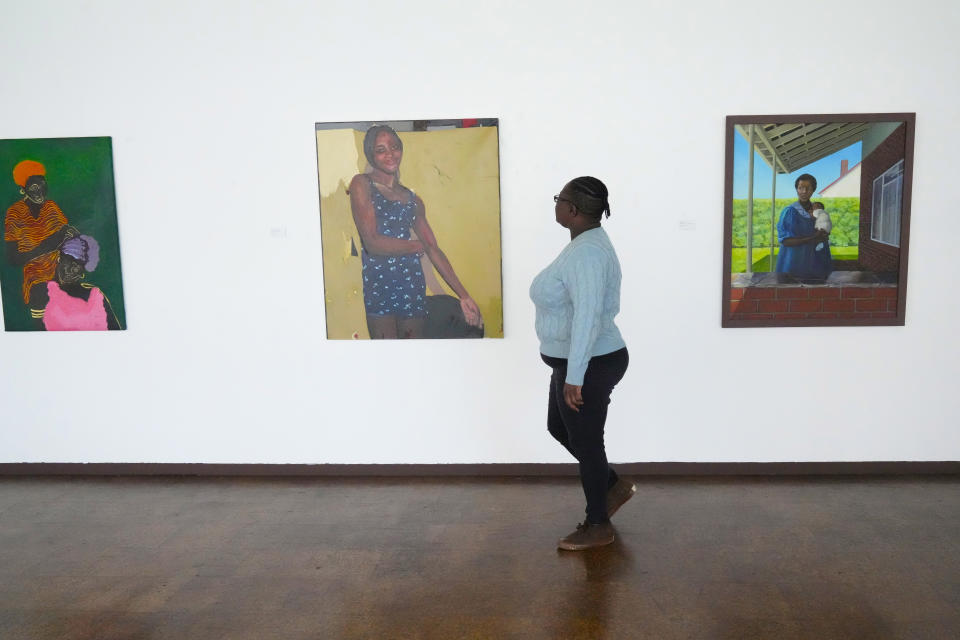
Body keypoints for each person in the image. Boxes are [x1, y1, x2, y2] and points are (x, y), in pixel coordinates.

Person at [529, 176, 632, 551]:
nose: (556, 204)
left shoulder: (587, 253)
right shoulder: (582, 245)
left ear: (571, 210)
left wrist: (575, 377)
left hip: (591, 363)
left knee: (587, 443)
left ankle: (597, 524)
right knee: (560, 428)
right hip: (577, 362)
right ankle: (610, 485)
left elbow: (587, 315)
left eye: (560, 199)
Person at [348, 124, 482, 339]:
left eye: (394, 147)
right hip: (380, 289)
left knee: (414, 356)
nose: (390, 154)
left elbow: (433, 249)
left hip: (412, 288)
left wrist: (464, 295)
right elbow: (372, 242)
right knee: (387, 360)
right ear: (370, 155)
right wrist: (417, 246)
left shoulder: (412, 200)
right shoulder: (361, 184)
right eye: (381, 150)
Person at [4, 160, 77, 304]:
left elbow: (69, 237)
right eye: (34, 187)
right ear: (23, 190)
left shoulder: (51, 207)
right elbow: (13, 259)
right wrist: (50, 244)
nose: (40, 192)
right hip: (36, 278)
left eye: (43, 186)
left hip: (63, 271)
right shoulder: (15, 213)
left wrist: (71, 237)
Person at [28, 234, 121, 331]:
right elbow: (37, 333)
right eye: (67, 262)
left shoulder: (95, 294)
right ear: (59, 260)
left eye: (77, 266)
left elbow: (115, 330)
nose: (69, 270)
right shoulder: (41, 291)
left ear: (82, 272)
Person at [775, 174, 832, 278]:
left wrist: (825, 234)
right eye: (801, 188)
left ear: (813, 190)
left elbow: (825, 229)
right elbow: (786, 241)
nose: (804, 191)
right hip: (795, 261)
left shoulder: (818, 210)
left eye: (808, 188)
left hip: (817, 260)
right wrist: (814, 238)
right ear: (797, 189)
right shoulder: (790, 211)